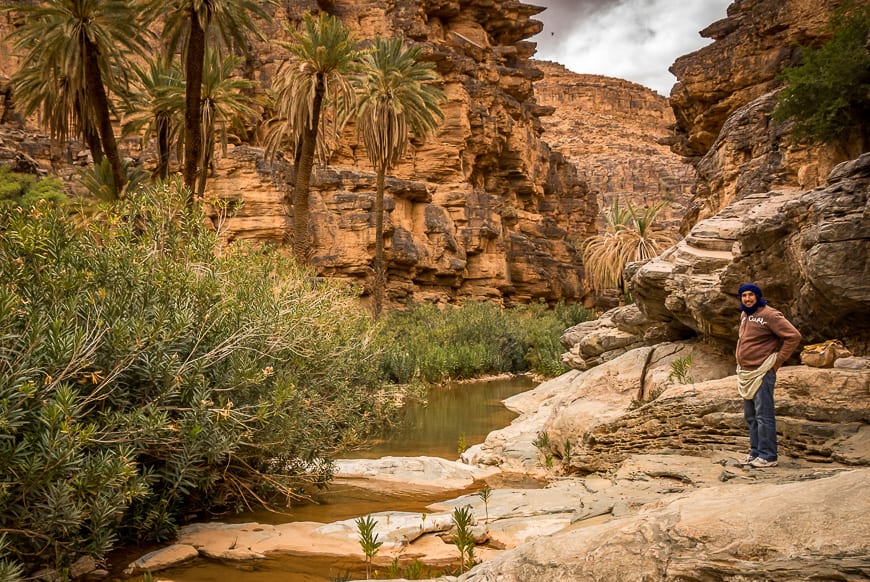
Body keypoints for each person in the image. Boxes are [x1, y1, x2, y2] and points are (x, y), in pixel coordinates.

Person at [735, 283, 801, 468]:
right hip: (746, 373)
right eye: (744, 296)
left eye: (751, 295)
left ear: (758, 296)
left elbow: (793, 336)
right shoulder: (744, 315)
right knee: (751, 416)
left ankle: (768, 456)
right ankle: (755, 452)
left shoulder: (770, 315)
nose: (747, 299)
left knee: (764, 415)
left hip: (762, 372)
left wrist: (777, 361)